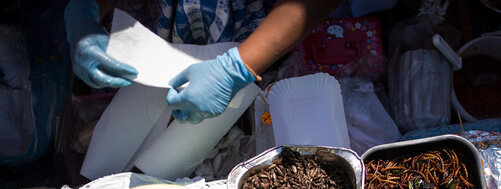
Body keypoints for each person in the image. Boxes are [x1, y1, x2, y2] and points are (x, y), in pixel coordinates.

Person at [64, 0, 341, 124]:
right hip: (156, 19)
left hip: (258, 26)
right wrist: (83, 11)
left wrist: (236, 69)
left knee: (247, 111)